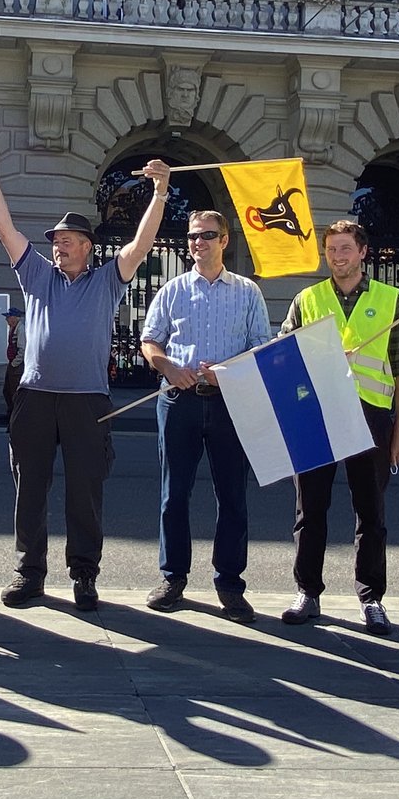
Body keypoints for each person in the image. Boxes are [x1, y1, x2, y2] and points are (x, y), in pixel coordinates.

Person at [0, 140, 171, 611]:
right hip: (35, 398)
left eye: (67, 239)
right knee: (30, 491)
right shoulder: (37, 275)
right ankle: (29, 574)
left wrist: (160, 192)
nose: (57, 245)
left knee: (85, 493)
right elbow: (4, 230)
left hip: (87, 402)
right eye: (55, 240)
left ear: (87, 247)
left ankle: (84, 575)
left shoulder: (108, 279)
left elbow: (142, 244)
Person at [279, 220, 399, 636]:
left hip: (371, 416)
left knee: (370, 511)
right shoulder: (308, 299)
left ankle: (371, 598)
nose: (337, 257)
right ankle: (308, 592)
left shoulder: (390, 300)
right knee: (310, 510)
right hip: (317, 415)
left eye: (344, 249)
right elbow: (284, 359)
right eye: (331, 250)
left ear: (362, 252)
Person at [139, 210, 272, 624]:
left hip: (231, 402)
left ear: (225, 241)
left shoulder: (248, 292)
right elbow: (149, 341)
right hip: (179, 401)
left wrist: (227, 372)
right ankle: (172, 577)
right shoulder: (173, 289)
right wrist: (167, 367)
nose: (198, 242)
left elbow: (261, 347)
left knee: (232, 496)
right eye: (193, 236)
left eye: (207, 236)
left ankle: (230, 583)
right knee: (173, 495)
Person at [1, 306, 23, 419]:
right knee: (7, 390)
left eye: (8, 317)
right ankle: (10, 414)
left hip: (16, 366)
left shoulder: (21, 329)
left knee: (14, 392)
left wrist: (14, 363)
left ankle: (14, 416)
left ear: (15, 318)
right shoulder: (13, 329)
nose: (7, 320)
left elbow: (22, 349)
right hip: (12, 364)